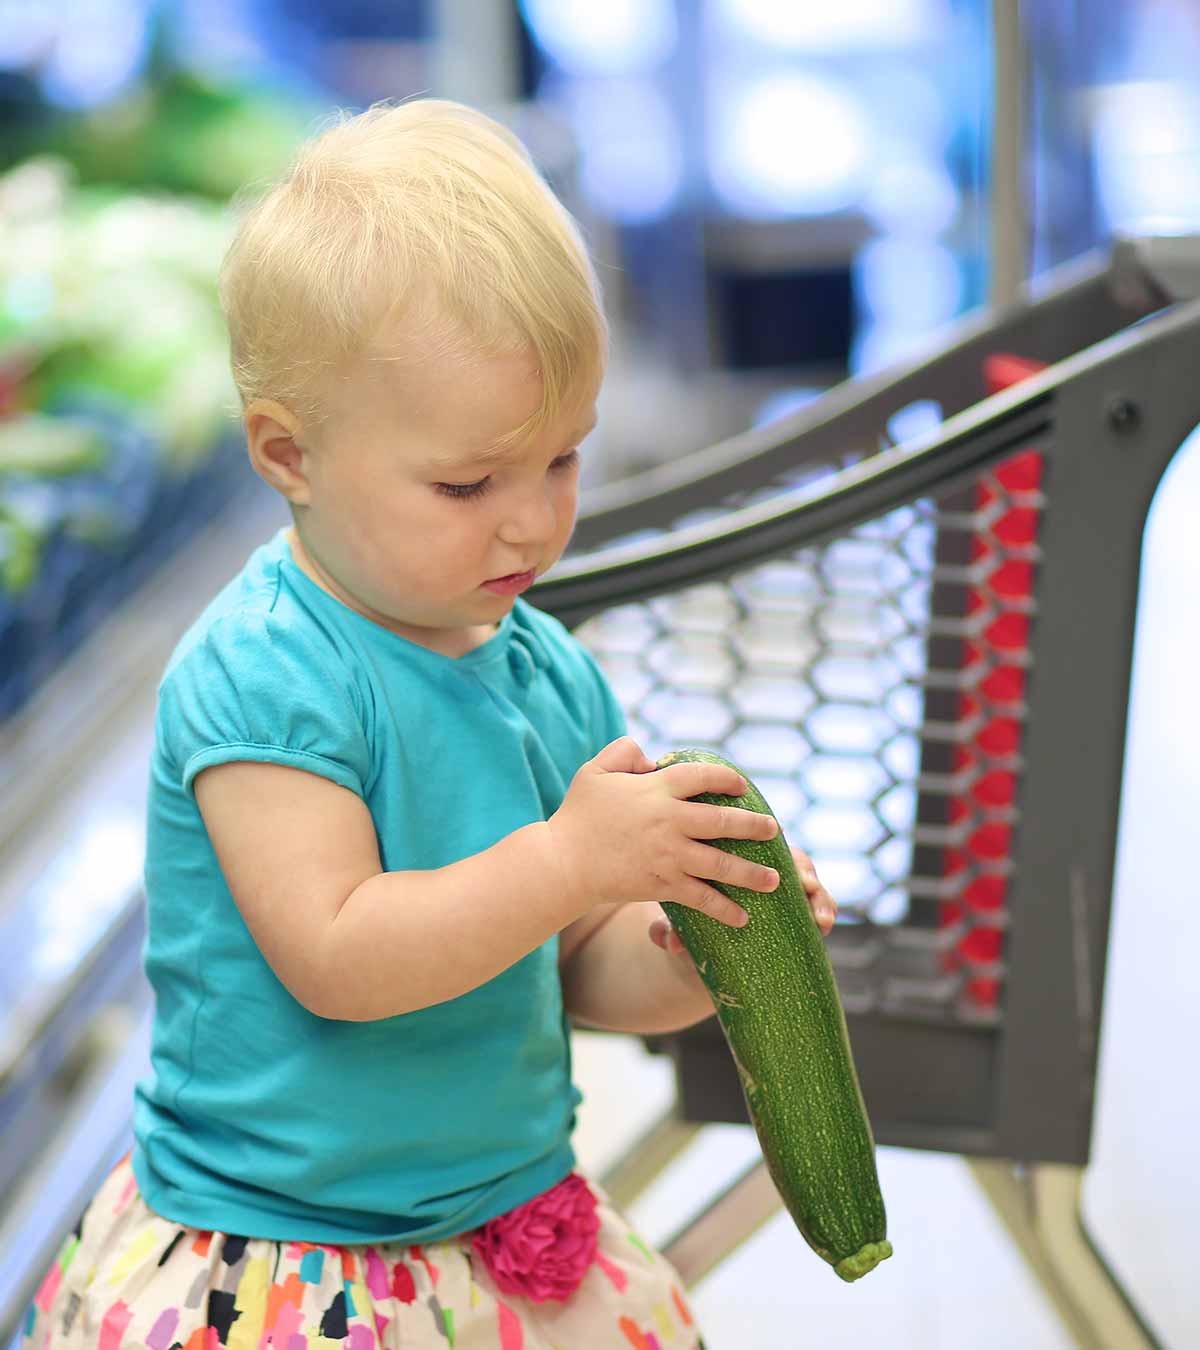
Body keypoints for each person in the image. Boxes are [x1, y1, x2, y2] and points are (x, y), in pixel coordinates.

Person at [23, 98, 837, 1350]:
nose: (531, 524)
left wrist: (677, 947)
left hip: (500, 1226)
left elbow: (566, 966)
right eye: (469, 484)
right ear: (288, 453)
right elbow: (342, 959)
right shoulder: (263, 679)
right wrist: (570, 855)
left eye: (564, 461)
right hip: (286, 1255)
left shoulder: (547, 673)